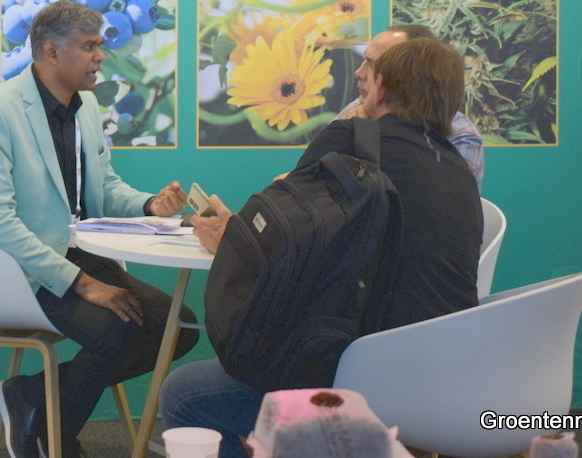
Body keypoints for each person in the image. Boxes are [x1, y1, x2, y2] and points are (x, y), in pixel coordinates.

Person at [161, 37, 483, 458]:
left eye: (371, 71)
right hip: (445, 385)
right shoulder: (460, 170)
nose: (360, 74)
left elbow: (291, 250)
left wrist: (229, 238)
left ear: (381, 89)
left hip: (358, 383)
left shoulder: (349, 141)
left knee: (184, 394)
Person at [0, 0, 198, 458]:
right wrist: (83, 283)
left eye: (99, 45)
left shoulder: (87, 106)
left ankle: (33, 395)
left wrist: (151, 205)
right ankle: (53, 436)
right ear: (51, 52)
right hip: (25, 271)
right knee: (117, 331)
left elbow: (104, 187)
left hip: (84, 257)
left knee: (180, 328)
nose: (100, 56)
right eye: (89, 46)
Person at [338, 24, 485, 191]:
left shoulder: (459, 136)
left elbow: (435, 201)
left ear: (413, 73)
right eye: (364, 59)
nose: (359, 72)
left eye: (373, 65)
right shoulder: (357, 109)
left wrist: (352, 142)